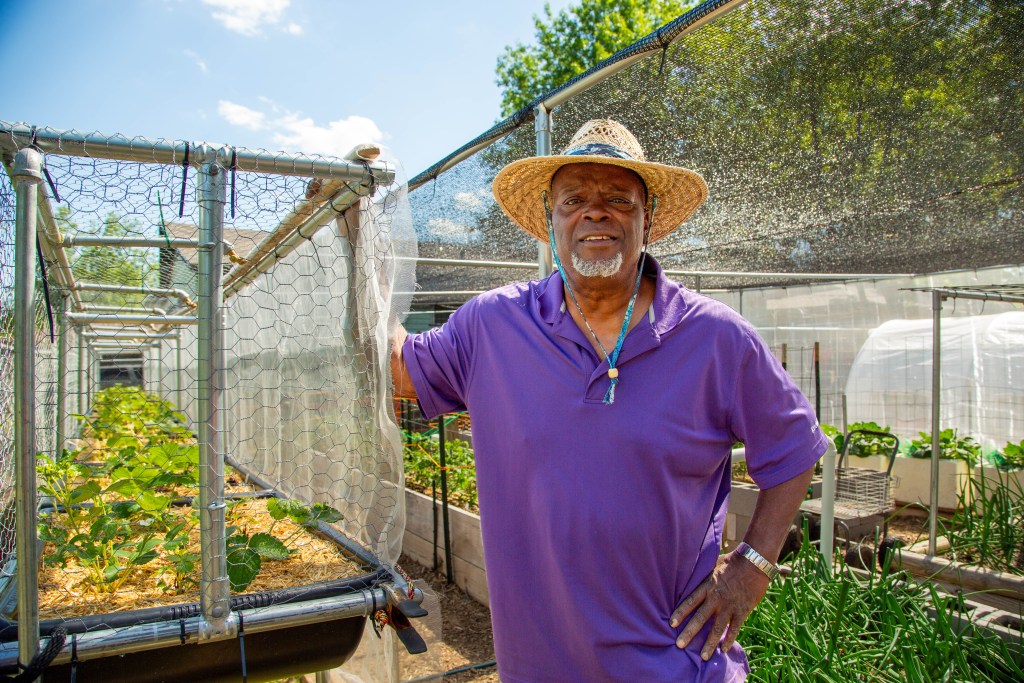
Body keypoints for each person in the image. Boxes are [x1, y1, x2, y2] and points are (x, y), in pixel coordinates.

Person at [391, 119, 827, 682]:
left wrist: (753, 565)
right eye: (574, 199)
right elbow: (401, 370)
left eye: (618, 199)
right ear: (550, 220)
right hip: (539, 668)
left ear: (647, 220)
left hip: (676, 665)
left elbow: (796, 449)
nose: (595, 212)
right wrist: (356, 244)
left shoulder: (717, 339)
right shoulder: (492, 327)